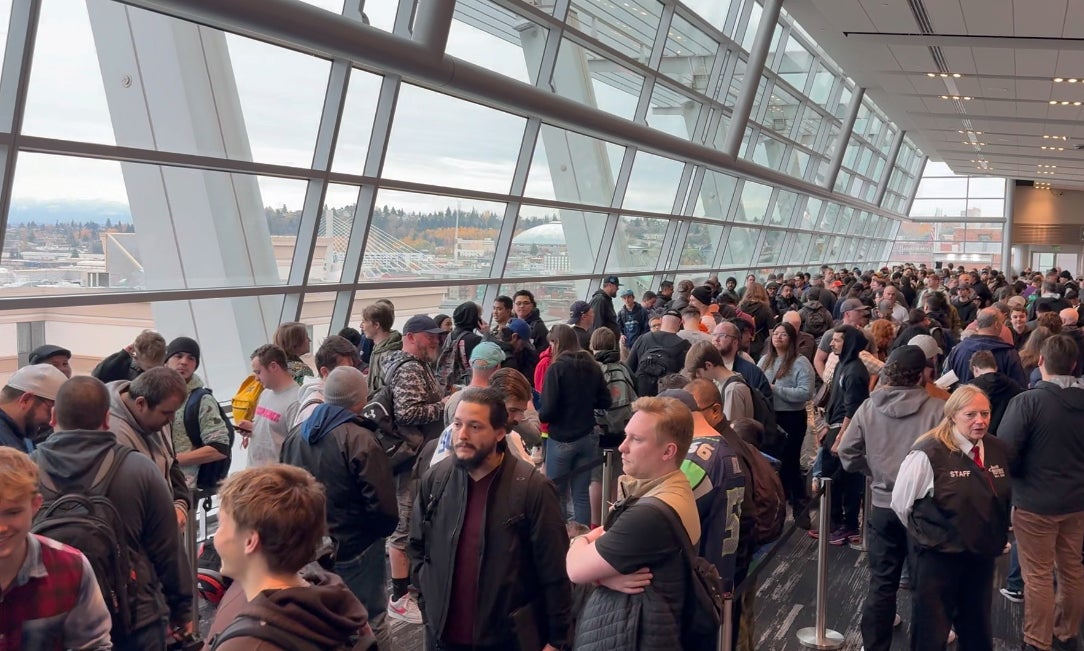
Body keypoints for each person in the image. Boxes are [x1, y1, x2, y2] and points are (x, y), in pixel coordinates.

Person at [34, 376, 194, 650]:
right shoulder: (139, 469)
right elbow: (168, 550)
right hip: (134, 620)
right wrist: (183, 610)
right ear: (107, 419)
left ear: (53, 417)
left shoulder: (26, 472)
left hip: (52, 621)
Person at [409, 387, 571, 651]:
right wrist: (430, 605)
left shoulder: (532, 489)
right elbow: (417, 547)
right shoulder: (436, 480)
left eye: (475, 427)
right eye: (458, 424)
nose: (462, 435)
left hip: (507, 640)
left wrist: (557, 640)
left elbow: (554, 572)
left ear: (499, 433)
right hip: (443, 638)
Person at [567, 395, 699, 651]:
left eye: (636, 440)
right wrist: (603, 577)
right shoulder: (668, 487)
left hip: (634, 635)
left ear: (668, 451)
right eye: (626, 436)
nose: (622, 447)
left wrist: (578, 540)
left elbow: (575, 569)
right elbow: (606, 538)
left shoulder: (649, 514)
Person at [279, 366, 397, 649]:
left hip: (313, 550)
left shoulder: (296, 435)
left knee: (330, 623)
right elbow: (383, 507)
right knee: (372, 617)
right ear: (361, 397)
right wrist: (375, 535)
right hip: (358, 548)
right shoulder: (360, 438)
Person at [838, 345, 946, 651]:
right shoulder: (938, 411)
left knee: (882, 584)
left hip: (883, 505)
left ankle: (874, 646)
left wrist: (872, 471)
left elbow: (847, 452)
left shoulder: (869, 407)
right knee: (926, 587)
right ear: (923, 374)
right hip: (925, 509)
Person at [891, 385, 1012, 651]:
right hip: (937, 559)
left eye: (985, 413)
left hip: (979, 557)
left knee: (977, 629)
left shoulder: (997, 449)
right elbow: (901, 505)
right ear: (953, 415)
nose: (980, 421)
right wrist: (930, 536)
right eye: (971, 414)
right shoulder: (928, 453)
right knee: (931, 633)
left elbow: (1000, 497)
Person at [205, 465, 373, 650]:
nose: (216, 537)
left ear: (250, 541)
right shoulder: (338, 604)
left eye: (221, 524)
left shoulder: (248, 644)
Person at [999, 334, 1084, 651]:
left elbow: (1005, 452)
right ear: (1074, 366)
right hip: (1077, 502)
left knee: (1037, 576)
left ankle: (1037, 640)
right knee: (1072, 569)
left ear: (1042, 361)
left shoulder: (1028, 401)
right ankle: (1067, 634)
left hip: (1034, 502)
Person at [0, 447, 112, 650]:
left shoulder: (70, 567)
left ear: (35, 505)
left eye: (12, 512)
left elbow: (93, 645)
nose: (1, 527)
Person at [382, 314, 447, 624]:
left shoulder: (411, 365)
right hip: (410, 459)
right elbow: (407, 413)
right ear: (410, 336)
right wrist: (445, 404)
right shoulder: (409, 368)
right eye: (428, 335)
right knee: (403, 526)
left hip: (416, 456)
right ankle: (398, 596)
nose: (435, 340)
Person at [539, 323, 610, 526]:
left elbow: (548, 411)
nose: (550, 348)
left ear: (557, 342)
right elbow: (605, 401)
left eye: (552, 343)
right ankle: (581, 538)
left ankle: (559, 540)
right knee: (581, 493)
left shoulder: (556, 369)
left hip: (561, 438)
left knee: (557, 493)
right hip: (588, 436)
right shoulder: (592, 366)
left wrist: (539, 413)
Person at [107, 366, 192, 526]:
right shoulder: (112, 434)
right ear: (141, 403)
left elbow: (171, 462)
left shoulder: (160, 413)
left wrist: (181, 502)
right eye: (167, 413)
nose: (172, 419)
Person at [758, 323, 815, 524]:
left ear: (791, 339)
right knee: (771, 462)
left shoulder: (800, 363)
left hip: (792, 418)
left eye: (783, 335)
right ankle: (776, 508)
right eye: (776, 334)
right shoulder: (765, 360)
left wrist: (776, 389)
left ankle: (800, 506)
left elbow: (806, 393)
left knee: (790, 462)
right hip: (770, 417)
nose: (778, 337)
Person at [821, 325, 870, 545]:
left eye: (838, 340)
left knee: (846, 482)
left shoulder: (855, 371)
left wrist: (841, 438)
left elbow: (853, 410)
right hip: (835, 427)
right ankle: (834, 523)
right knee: (834, 480)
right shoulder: (843, 365)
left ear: (848, 343)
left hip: (845, 432)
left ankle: (848, 526)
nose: (832, 343)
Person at [164, 336, 230, 490]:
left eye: (191, 358)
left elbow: (220, 448)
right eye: (178, 356)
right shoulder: (154, 392)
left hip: (183, 489)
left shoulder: (202, 400)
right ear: (166, 360)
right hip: (154, 483)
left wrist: (173, 460)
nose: (184, 362)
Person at [237, 344, 300, 468]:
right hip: (256, 474)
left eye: (258, 372)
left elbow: (297, 449)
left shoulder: (296, 402)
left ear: (273, 367)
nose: (256, 379)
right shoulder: (265, 394)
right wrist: (252, 429)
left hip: (276, 479)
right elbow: (273, 430)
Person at [945, 307, 1028, 387]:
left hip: (963, 399)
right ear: (996, 324)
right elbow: (1020, 389)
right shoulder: (1008, 354)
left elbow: (946, 384)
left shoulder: (958, 349)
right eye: (1001, 323)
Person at [292, 334, 362, 427]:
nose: (351, 374)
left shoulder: (337, 398)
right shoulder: (315, 410)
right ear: (325, 372)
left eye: (352, 367)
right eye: (344, 369)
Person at [0, 364, 67, 452]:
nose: (51, 422)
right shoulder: (5, 443)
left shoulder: (17, 434)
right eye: (50, 412)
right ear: (26, 400)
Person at [685, 340, 753, 422]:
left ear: (708, 365)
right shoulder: (724, 382)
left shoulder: (732, 390)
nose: (698, 378)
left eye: (698, 372)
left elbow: (732, 428)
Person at [967, 350, 1023, 437]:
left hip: (978, 434)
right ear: (996, 367)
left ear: (975, 369)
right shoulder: (1013, 386)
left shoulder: (970, 388)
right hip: (1006, 437)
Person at [92, 329, 167, 384]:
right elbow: (97, 377)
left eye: (159, 366)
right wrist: (122, 355)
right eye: (149, 368)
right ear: (136, 359)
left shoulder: (169, 364)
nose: (155, 371)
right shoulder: (124, 366)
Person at [362, 300, 402, 393]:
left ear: (376, 325)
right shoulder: (378, 349)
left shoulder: (391, 355)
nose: (361, 325)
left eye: (364, 321)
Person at [273, 321, 314, 386]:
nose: (309, 340)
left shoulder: (273, 368)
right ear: (295, 343)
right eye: (306, 337)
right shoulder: (302, 370)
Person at [617, 287, 650, 353]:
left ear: (633, 297)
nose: (627, 300)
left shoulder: (642, 311)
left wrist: (642, 340)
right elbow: (619, 327)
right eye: (624, 298)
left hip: (640, 344)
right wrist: (621, 335)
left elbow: (646, 327)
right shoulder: (621, 313)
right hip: (626, 344)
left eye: (629, 297)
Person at [590, 275, 621, 339]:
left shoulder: (606, 300)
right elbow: (597, 325)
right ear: (610, 285)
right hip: (604, 344)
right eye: (616, 286)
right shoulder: (600, 300)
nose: (618, 288)